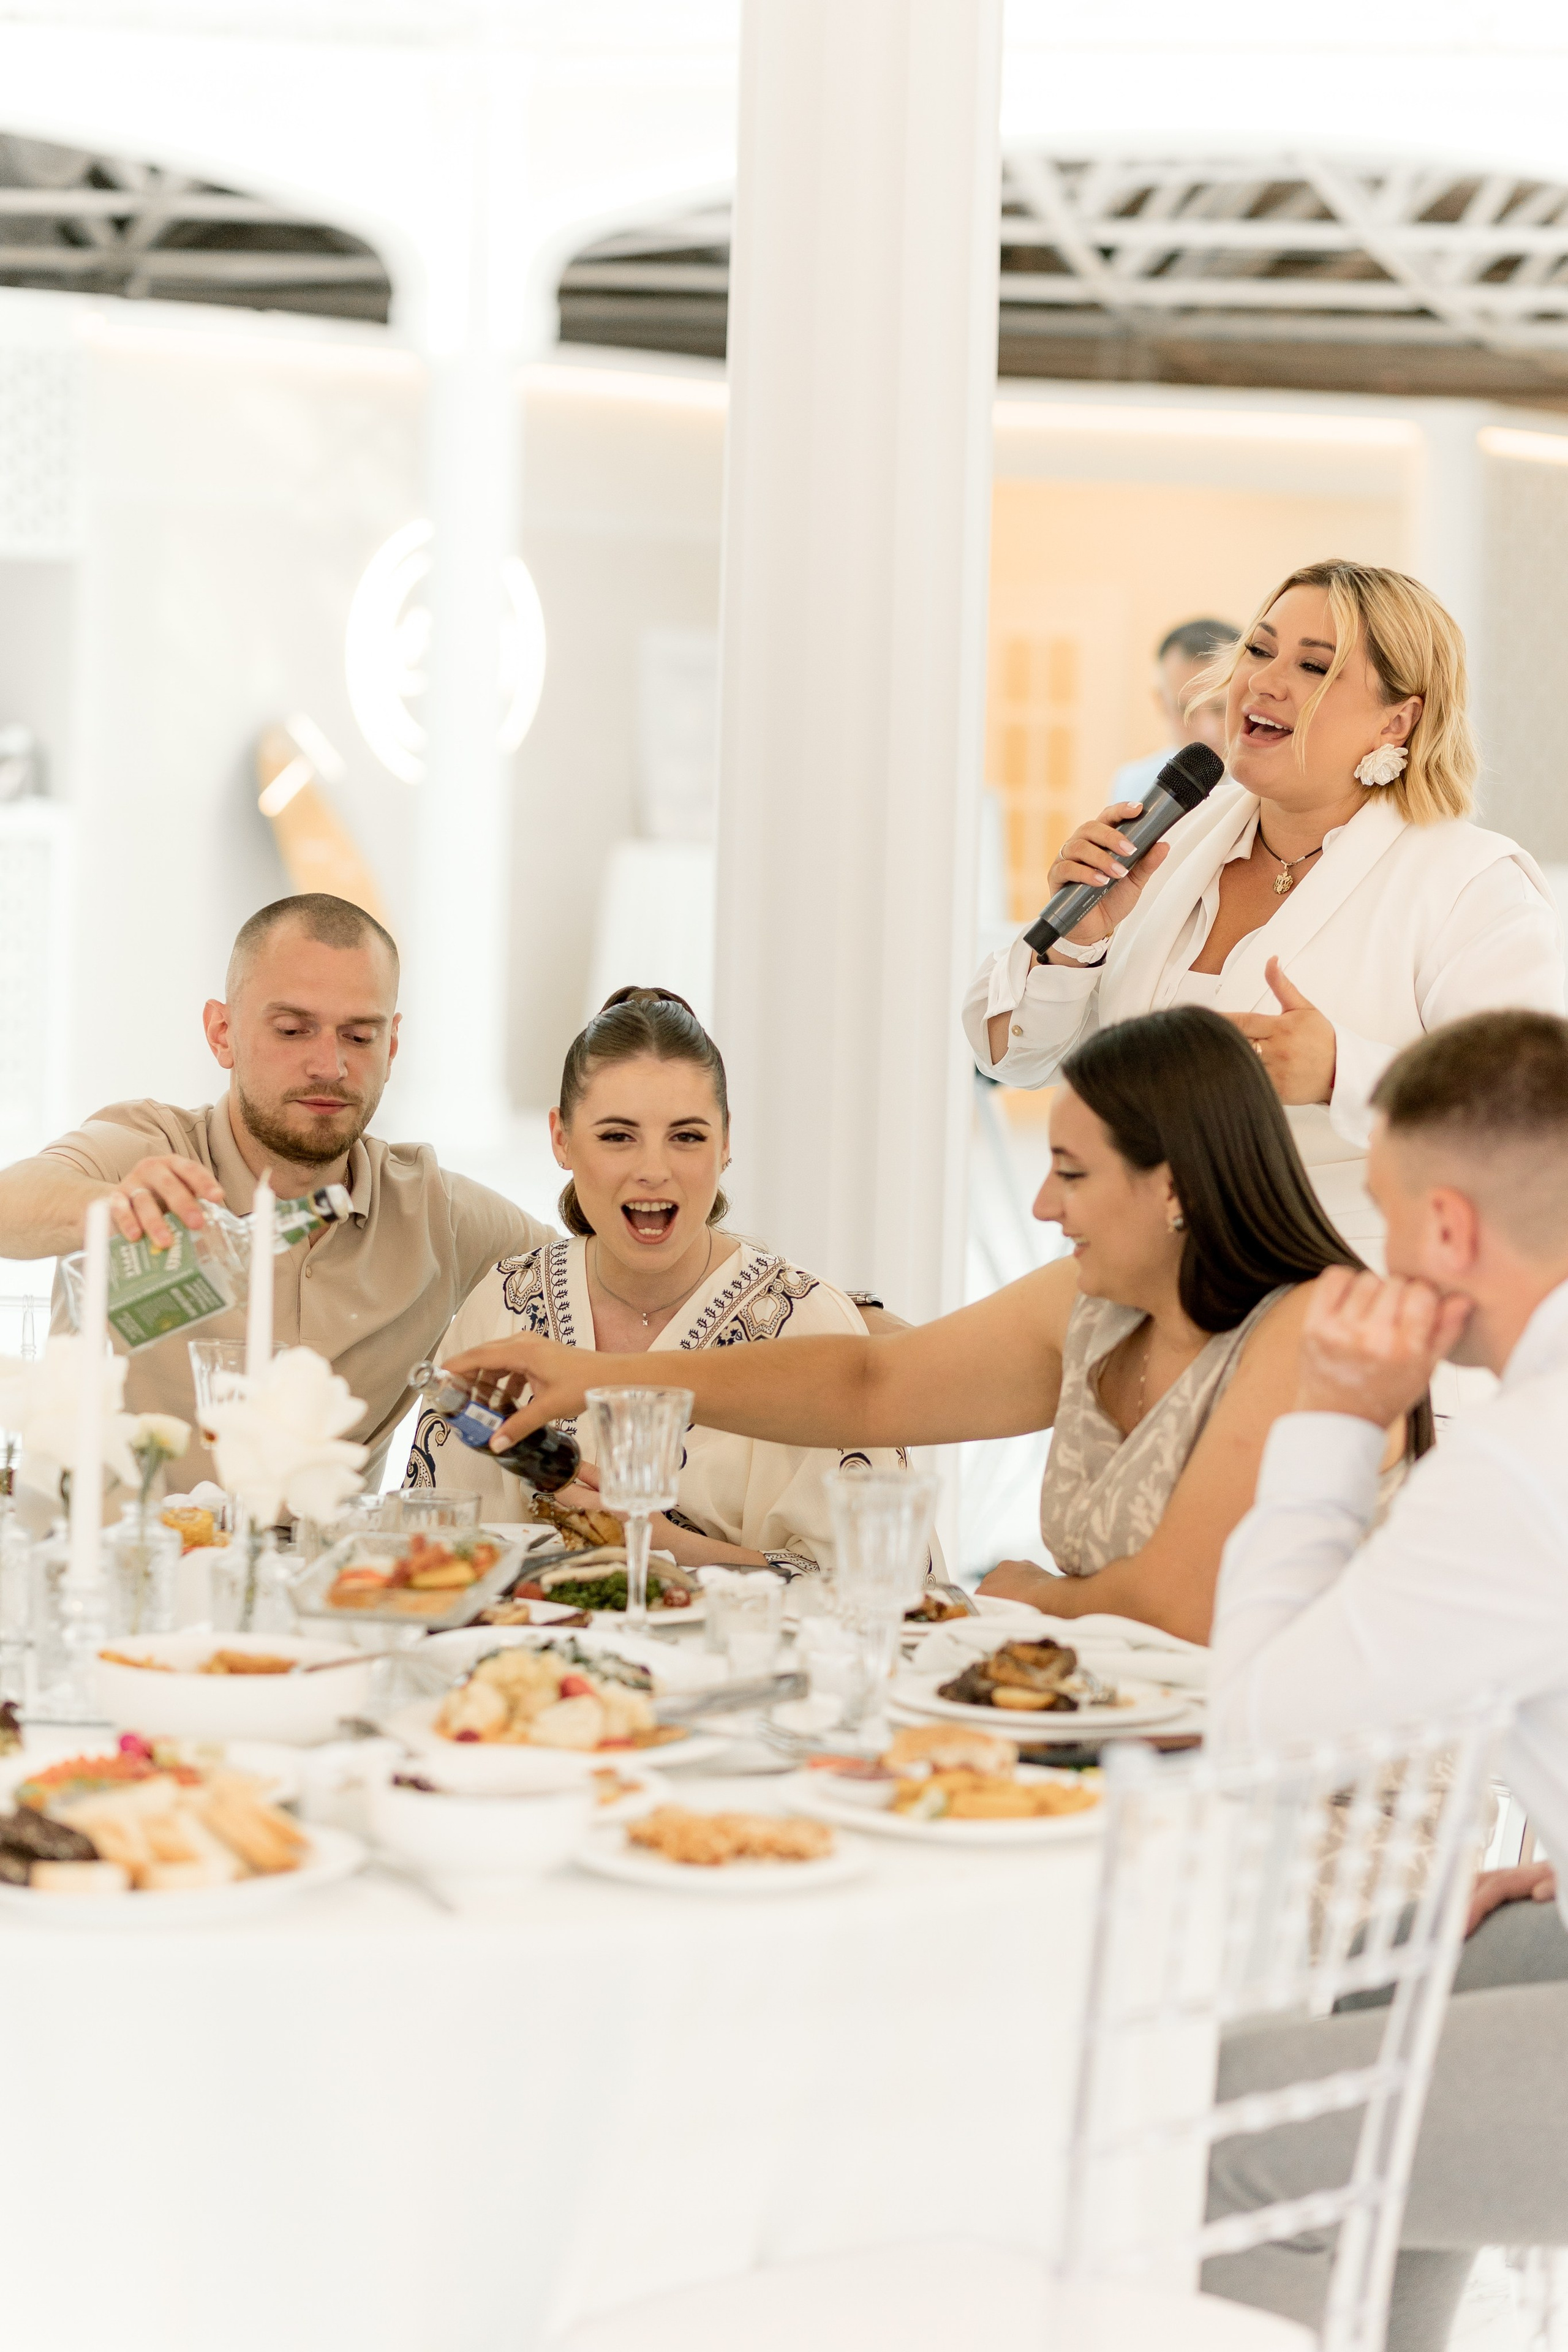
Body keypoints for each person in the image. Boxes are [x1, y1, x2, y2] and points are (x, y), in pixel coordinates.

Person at [439, 1008, 1411, 1643]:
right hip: (1125, 1739)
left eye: (1072, 1174)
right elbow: (872, 1385)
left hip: (1291, 1786)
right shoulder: (1093, 1309)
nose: (1042, 1204)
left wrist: (1029, 1596)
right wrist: (601, 1376)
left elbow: (1177, 1608)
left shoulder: (1312, 1329)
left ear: (1176, 1187)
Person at [1205, 1009, 1568, 2350]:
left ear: (1449, 1232)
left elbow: (1255, 1737)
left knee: (1234, 2126)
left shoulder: (1519, 1457)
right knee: (1389, 1973)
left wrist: (1334, 1419)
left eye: (1386, 1211)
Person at [965, 560, 1563, 1250]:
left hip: (1333, 1277)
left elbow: (1528, 1122)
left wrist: (1341, 1072)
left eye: (1314, 666)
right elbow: (1010, 1055)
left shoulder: (1472, 885)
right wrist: (1077, 943)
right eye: (1258, 649)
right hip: (1137, 1262)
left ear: (1397, 720)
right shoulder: (1170, 839)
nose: (1263, 681)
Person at [0, 894, 552, 1487]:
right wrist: (114, 1209)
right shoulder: (149, 1150)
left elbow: (589, 1277)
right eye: (293, 1030)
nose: (329, 1065)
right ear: (222, 1033)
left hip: (333, 1549)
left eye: (359, 1036)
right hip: (123, 1541)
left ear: (391, 1048)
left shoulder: (435, 1214)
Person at [410, 986, 912, 1575]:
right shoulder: (504, 1307)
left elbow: (885, 1592)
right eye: (617, 1136)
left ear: (726, 1142)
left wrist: (663, 1546)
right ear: (561, 1139)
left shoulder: (810, 1325)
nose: (653, 1170)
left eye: (687, 1136)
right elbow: (432, 1562)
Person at [1106, 616, 1238, 807]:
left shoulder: (1273, 792)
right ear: (1161, 703)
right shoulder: (1132, 786)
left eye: (1220, 708)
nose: (1206, 731)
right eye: (1186, 710)